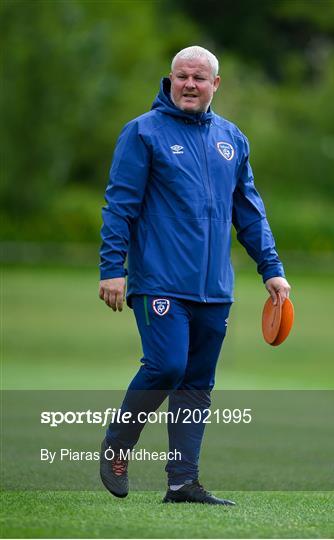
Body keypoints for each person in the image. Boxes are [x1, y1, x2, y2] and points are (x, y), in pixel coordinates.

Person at [99, 45, 291, 505]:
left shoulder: (232, 138)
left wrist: (273, 269)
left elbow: (249, 212)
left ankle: (183, 483)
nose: (189, 84)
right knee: (166, 366)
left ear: (215, 85)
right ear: (169, 79)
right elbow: (119, 207)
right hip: (160, 281)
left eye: (199, 78)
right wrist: (112, 269)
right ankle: (118, 445)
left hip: (214, 290)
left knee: (198, 383)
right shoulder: (143, 133)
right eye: (181, 76)